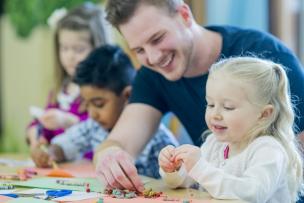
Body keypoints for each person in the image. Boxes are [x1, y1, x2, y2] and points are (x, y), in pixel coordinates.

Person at [95, 0, 304, 192]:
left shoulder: (265, 58)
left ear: (185, 15)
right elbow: (119, 142)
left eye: (157, 38)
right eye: (139, 50)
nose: (153, 57)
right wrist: (110, 158)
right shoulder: (153, 74)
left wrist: (206, 172)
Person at [159, 57, 303, 202]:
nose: (215, 114)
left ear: (264, 114)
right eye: (210, 105)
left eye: (228, 107)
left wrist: (200, 168)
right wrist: (174, 170)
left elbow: (253, 194)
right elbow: (189, 180)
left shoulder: (269, 150)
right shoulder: (214, 143)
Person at [30, 45, 178, 179]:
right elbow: (66, 144)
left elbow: (178, 184)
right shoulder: (94, 127)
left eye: (98, 104)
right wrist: (49, 153)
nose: (92, 113)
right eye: (86, 104)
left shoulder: (159, 140)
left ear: (127, 96)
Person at [26, 3, 111, 150]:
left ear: (98, 49)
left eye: (79, 49)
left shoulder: (105, 92)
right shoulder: (60, 90)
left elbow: (105, 134)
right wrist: (36, 132)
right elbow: (45, 125)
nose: (70, 56)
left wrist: (68, 121)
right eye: (64, 48)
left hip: (91, 167)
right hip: (62, 168)